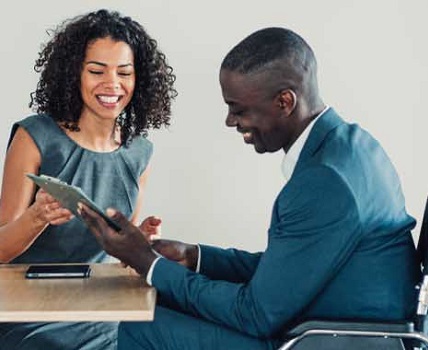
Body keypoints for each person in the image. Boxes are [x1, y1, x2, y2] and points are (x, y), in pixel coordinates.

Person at [79, 27, 420, 349]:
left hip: (320, 339)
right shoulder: (352, 146)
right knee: (156, 299)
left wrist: (147, 261)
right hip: (321, 321)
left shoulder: (326, 181)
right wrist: (195, 257)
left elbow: (255, 315)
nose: (231, 121)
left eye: (238, 109)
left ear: (284, 102)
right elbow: (292, 267)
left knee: (128, 326)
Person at [0, 9, 176, 350]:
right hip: (28, 312)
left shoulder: (139, 152)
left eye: (124, 73)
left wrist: (137, 243)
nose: (112, 85)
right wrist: (37, 218)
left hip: (98, 307)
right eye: (97, 71)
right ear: (73, 74)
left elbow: (120, 259)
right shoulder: (35, 136)